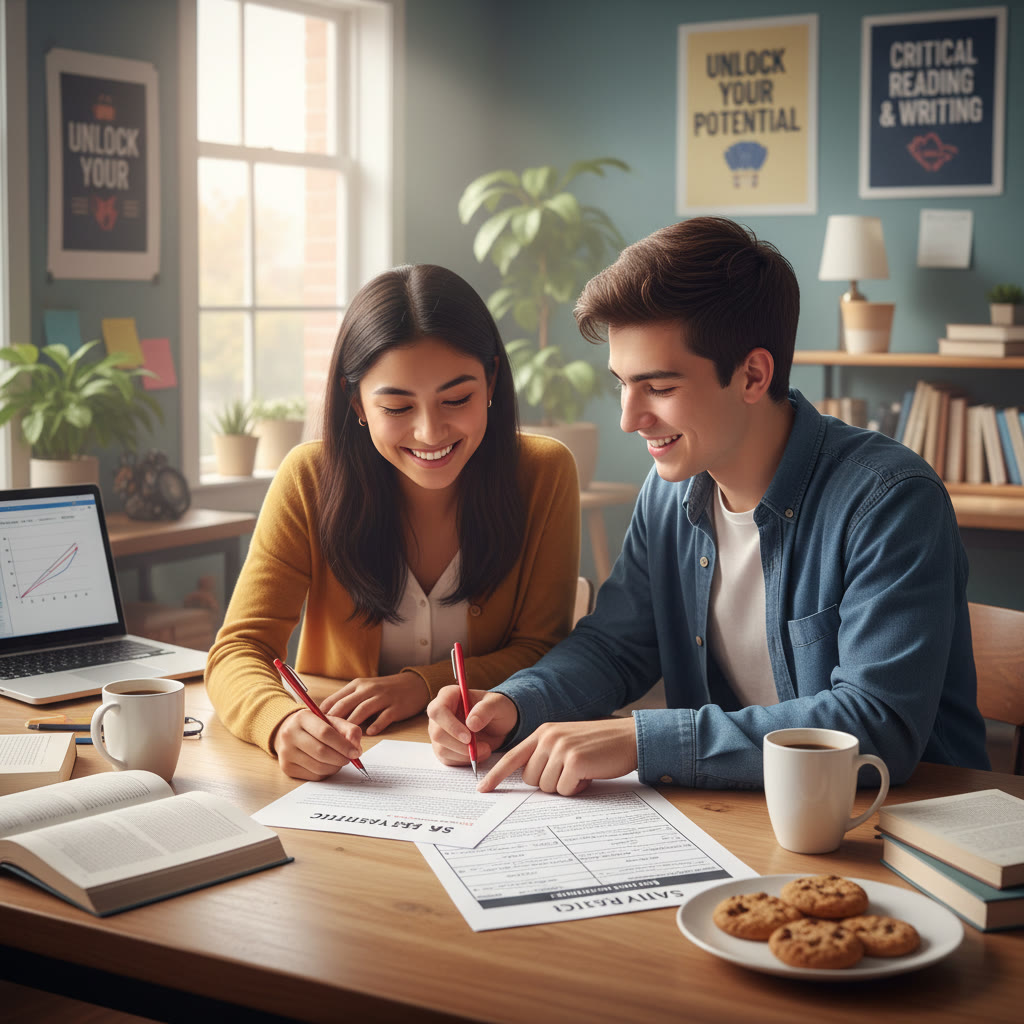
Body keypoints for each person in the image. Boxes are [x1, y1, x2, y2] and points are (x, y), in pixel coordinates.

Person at [427, 216, 990, 795]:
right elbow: (616, 646)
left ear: (752, 374)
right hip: (740, 816)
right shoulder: (669, 490)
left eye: (660, 388)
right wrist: (514, 703)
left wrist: (640, 741)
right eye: (622, 383)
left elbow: (877, 725)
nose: (629, 418)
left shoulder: (889, 501)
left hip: (907, 825)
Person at [207, 263, 581, 780]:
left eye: (457, 399)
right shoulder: (308, 479)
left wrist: (419, 685)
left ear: (492, 380)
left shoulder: (544, 473)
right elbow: (239, 649)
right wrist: (281, 723)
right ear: (356, 401)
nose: (430, 432)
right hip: (349, 778)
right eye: (397, 406)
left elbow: (543, 650)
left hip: (483, 769)